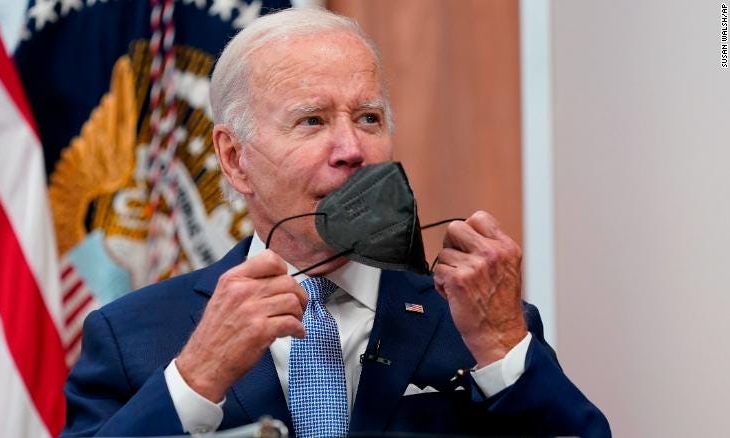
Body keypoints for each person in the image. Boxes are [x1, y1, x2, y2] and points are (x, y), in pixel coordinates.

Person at [61, 7, 610, 438]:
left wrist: (503, 349)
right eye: (312, 120)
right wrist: (196, 381)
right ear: (233, 158)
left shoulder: (476, 322)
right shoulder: (131, 336)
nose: (351, 148)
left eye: (368, 118)